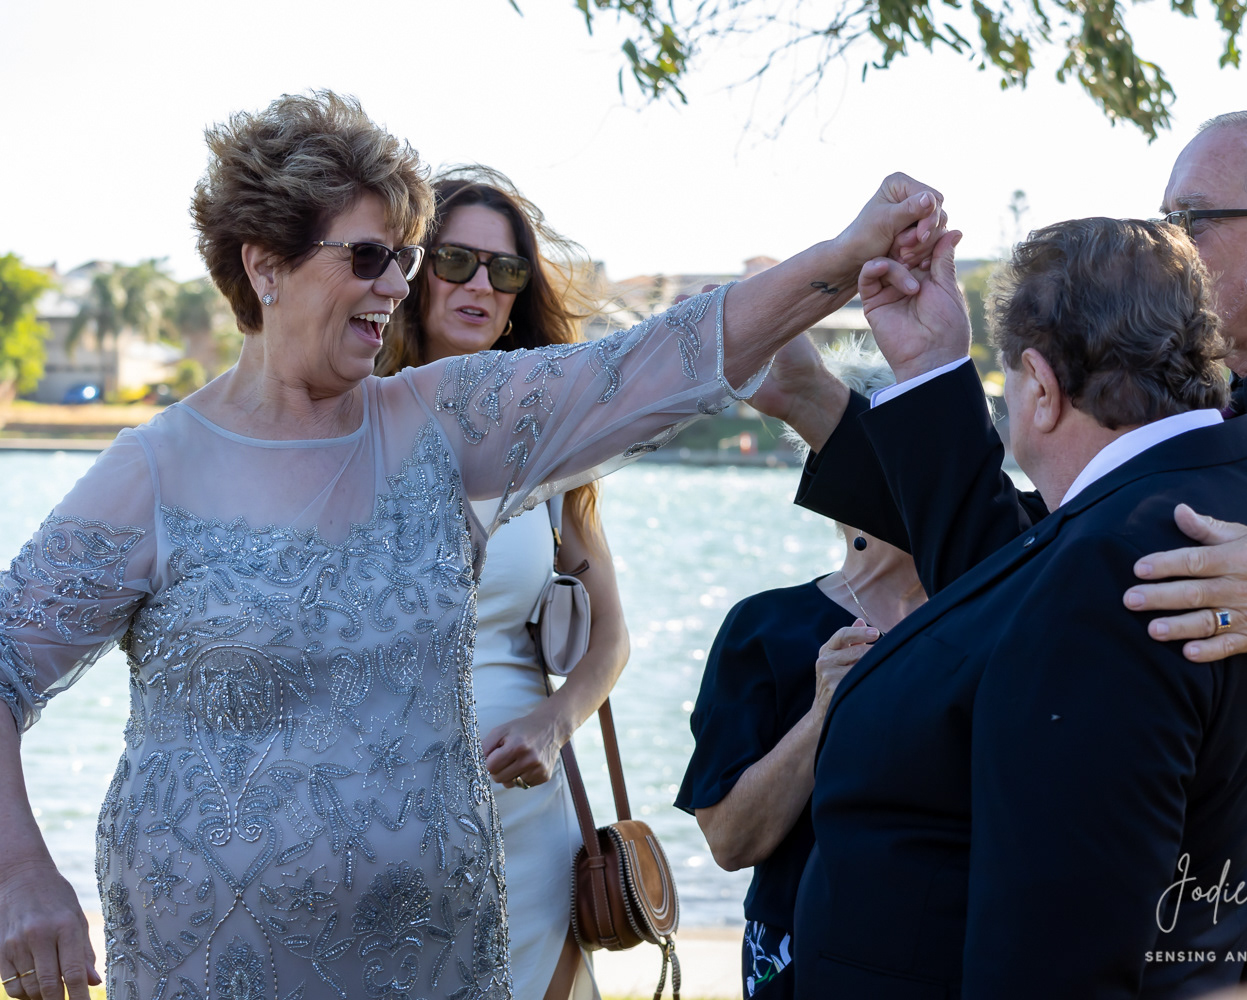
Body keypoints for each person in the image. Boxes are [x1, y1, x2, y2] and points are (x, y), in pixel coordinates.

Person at [0, 89, 947, 1000]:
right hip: (210, 960)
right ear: (265, 265)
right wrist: (20, 872)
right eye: (368, 256)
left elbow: (641, 366)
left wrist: (844, 257)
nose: (394, 286)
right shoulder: (154, 472)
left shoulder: (437, 421)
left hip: (437, 956)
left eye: (404, 259)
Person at [772, 108, 1247, 998]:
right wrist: (905, 379)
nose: (1173, 242)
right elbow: (1017, 573)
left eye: (1192, 218)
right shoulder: (1191, 424)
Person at [792, 217, 1247, 998]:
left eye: (1009, 388)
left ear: (1039, 386)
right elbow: (1003, 603)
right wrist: (930, 368)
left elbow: (1058, 950)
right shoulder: (1217, 491)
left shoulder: (1123, 564)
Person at [374, 166, 623, 1000]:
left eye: (505, 270)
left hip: (526, 830)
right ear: (413, 276)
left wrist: (555, 724)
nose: (481, 285)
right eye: (457, 262)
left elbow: (611, 640)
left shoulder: (550, 446)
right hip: (370, 830)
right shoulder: (346, 426)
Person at [675, 342, 925, 1000]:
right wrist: (822, 715)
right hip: (800, 955)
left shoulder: (984, 611)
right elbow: (729, 842)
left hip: (947, 944)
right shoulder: (766, 628)